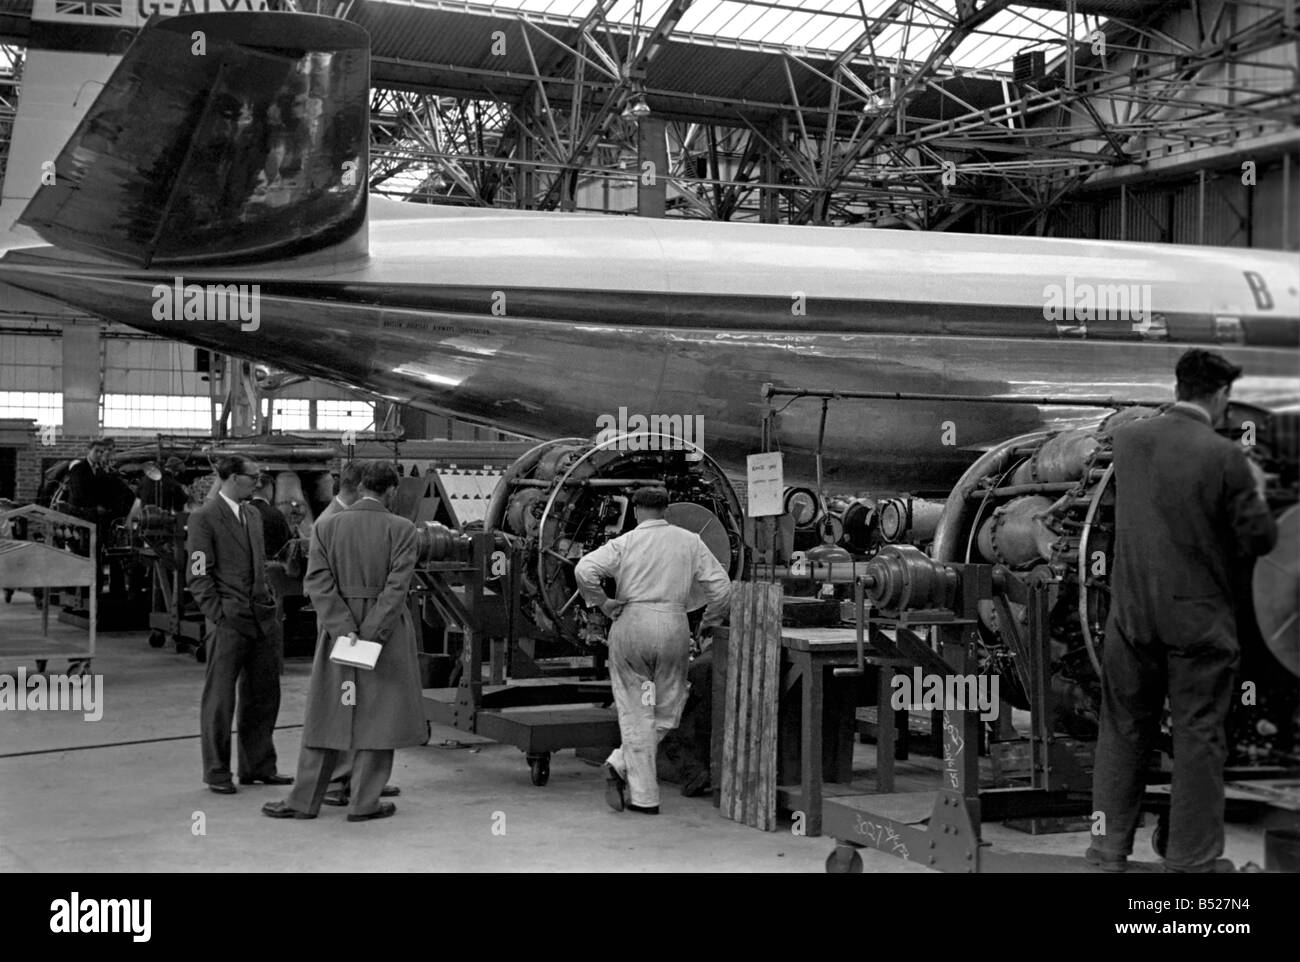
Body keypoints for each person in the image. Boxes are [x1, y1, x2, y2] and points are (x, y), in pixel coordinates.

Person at [1087, 349, 1277, 873]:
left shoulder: (1128, 441)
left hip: (1130, 615)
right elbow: (1258, 538)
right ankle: (1190, 861)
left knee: (1122, 728)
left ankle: (1106, 849)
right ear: (1219, 397)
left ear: (1177, 387)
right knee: (1197, 736)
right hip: (1196, 623)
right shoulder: (1224, 456)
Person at [263, 460, 424, 822]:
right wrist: (370, 634)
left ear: (361, 486)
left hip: (339, 633)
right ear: (391, 491)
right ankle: (364, 803)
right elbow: (397, 589)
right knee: (379, 718)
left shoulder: (327, 526)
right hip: (386, 636)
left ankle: (304, 802)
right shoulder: (402, 529)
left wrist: (344, 630)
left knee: (326, 714)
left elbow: (316, 583)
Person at [575, 486, 731, 814]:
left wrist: (603, 604)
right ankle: (628, 776)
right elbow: (722, 588)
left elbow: (584, 570)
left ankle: (632, 780)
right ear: (668, 509)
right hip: (673, 626)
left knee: (637, 709)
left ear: (635, 511)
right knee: (666, 710)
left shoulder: (626, 542)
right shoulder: (690, 541)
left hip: (632, 624)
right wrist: (708, 622)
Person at [187, 454, 291, 794]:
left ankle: (258, 766)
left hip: (262, 617)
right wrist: (217, 613)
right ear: (232, 478)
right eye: (252, 476)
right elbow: (198, 573)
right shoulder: (204, 518)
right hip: (229, 619)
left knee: (263, 694)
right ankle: (217, 771)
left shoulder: (252, 515)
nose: (257, 482)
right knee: (220, 699)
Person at [248, 474, 293, 560]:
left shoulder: (241, 511)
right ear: (269, 488)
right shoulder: (275, 514)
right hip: (270, 566)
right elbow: (287, 544)